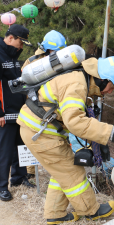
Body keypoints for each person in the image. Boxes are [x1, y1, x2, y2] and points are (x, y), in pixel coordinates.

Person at [17, 55, 114, 225]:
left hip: (38, 129)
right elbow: (75, 122)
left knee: (62, 171)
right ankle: (90, 211)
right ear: (104, 78)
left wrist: (100, 141)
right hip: (40, 133)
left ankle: (55, 214)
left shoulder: (81, 78)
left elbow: (76, 116)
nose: (110, 92)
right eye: (112, 87)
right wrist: (112, 132)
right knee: (72, 173)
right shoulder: (78, 84)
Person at [0, 24, 35, 202]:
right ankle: (1, 186)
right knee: (4, 151)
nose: (22, 47)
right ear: (10, 38)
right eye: (21, 42)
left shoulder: (12, 56)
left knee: (20, 147)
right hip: (3, 114)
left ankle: (19, 179)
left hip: (18, 113)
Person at [21, 30, 67, 179]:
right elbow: (24, 81)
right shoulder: (33, 62)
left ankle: (54, 169)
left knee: (53, 136)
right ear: (46, 49)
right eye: (53, 50)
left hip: (50, 103)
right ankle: (30, 171)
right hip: (36, 104)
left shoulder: (36, 60)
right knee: (33, 135)